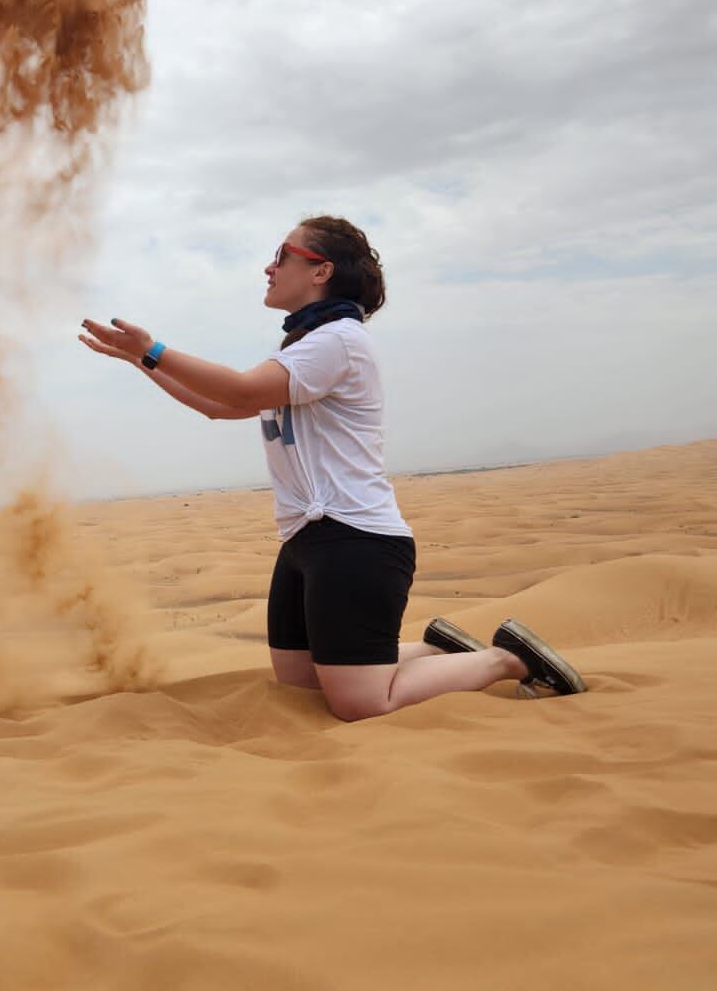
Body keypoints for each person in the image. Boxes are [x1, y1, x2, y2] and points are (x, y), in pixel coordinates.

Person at [80, 215, 586, 722]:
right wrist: (141, 363)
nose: (268, 267)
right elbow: (222, 406)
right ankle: (438, 652)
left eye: (282, 256)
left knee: (360, 702)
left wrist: (154, 350)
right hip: (306, 540)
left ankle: (506, 659)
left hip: (356, 539)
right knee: (300, 683)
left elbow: (237, 390)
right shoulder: (305, 347)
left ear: (321, 272)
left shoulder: (338, 340)